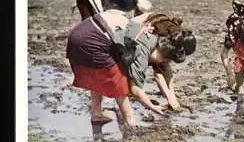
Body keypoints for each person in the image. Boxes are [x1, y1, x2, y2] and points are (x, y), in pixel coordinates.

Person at [66, 10, 197, 127]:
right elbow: (135, 90)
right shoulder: (142, 53)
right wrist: (152, 106)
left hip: (83, 31)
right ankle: (130, 122)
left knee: (100, 73)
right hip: (95, 38)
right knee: (119, 82)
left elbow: (162, 68)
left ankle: (96, 113)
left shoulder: (156, 32)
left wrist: (171, 98)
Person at [221, 0, 244, 90]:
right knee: (242, 59)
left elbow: (228, 25)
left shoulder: (232, 17)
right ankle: (239, 85)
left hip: (232, 37)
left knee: (224, 54)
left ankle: (230, 73)